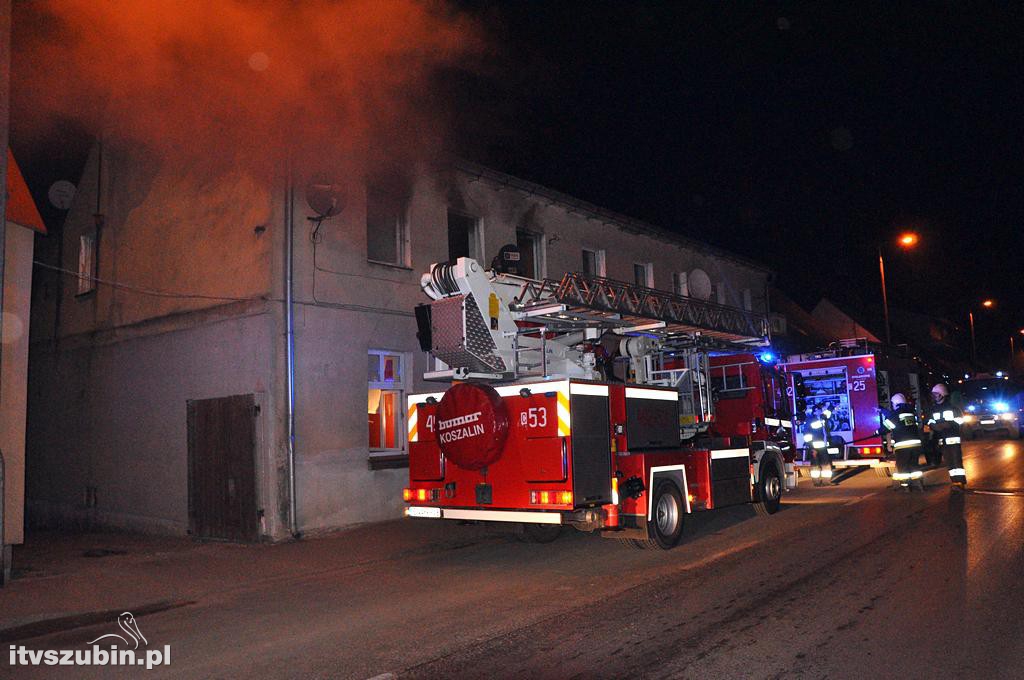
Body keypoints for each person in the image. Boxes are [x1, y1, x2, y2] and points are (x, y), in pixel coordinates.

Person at [926, 383, 966, 488]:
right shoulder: (933, 409)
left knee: (956, 460)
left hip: (952, 438)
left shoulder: (953, 408)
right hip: (941, 439)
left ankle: (960, 481)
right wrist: (934, 426)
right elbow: (929, 422)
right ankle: (954, 481)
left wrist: (947, 425)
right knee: (949, 462)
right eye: (933, 394)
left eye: (936, 394)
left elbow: (960, 421)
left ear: (942, 394)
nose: (934, 397)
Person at [883, 393, 924, 490]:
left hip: (902, 446)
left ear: (896, 403)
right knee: (914, 465)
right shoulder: (911, 412)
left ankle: (905, 486)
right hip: (915, 445)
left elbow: (885, 428)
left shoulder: (895, 415)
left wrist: (876, 432)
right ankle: (918, 484)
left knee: (903, 467)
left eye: (893, 404)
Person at [804, 403, 835, 485]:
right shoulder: (810, 421)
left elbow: (828, 413)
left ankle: (826, 481)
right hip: (814, 447)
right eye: (819, 410)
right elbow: (807, 435)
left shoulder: (822, 418)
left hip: (823, 446)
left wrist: (832, 406)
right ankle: (816, 482)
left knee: (826, 464)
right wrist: (811, 448)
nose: (821, 411)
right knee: (815, 465)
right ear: (814, 412)